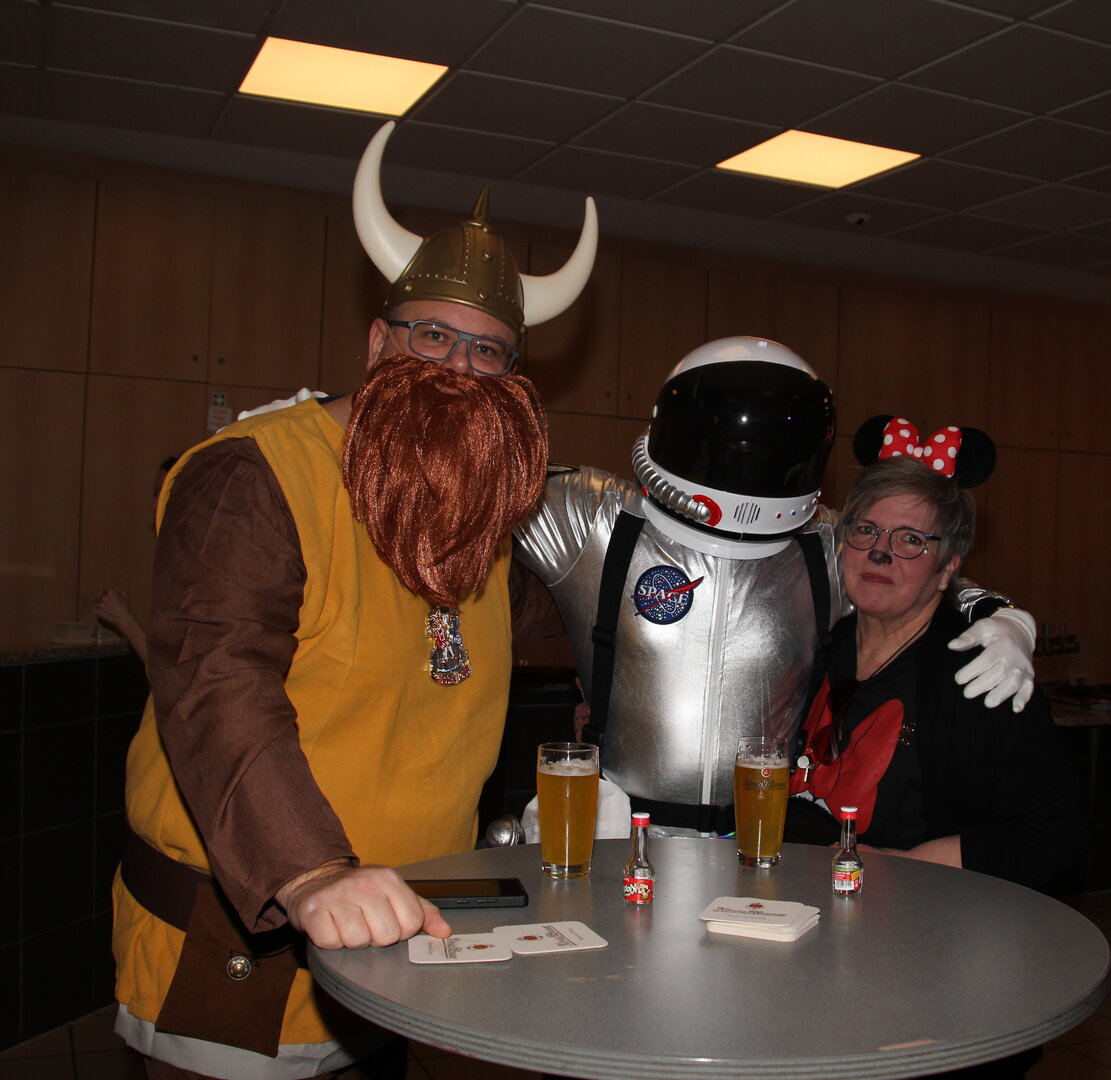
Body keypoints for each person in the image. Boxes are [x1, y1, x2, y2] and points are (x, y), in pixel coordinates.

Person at [111, 119, 597, 1080]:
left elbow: (553, 619)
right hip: (246, 954)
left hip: (409, 951)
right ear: (378, 342)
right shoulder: (258, 472)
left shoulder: (474, 510)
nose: (457, 369)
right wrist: (308, 870)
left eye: (489, 353)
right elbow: (217, 678)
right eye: (432, 335)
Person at [513, 338, 1038, 835]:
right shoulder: (593, 521)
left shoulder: (825, 547)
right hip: (617, 838)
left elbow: (922, 574)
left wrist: (1007, 620)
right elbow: (475, 491)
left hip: (765, 844)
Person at [787, 417, 1085, 1080]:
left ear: (949, 567)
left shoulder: (981, 677)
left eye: (911, 540)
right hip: (814, 960)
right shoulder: (816, 651)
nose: (880, 554)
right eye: (865, 531)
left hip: (934, 983)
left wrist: (909, 867)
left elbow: (1054, 835)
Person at [95, 455, 179, 665]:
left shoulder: (197, 570)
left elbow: (169, 670)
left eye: (162, 492)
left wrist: (122, 619)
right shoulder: (175, 560)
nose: (153, 505)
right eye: (154, 494)